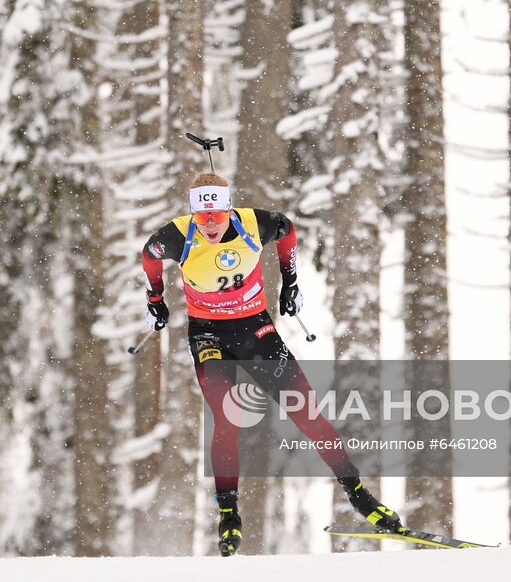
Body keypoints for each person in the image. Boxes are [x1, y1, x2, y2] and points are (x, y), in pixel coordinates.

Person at [141, 171, 403, 556]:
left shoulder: (253, 223)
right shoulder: (177, 235)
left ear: (228, 208)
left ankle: (359, 494)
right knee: (226, 417)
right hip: (209, 335)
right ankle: (229, 515)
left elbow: (288, 231)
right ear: (193, 215)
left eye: (217, 215)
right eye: (203, 218)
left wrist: (290, 281)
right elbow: (149, 256)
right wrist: (156, 299)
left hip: (256, 331)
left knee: (305, 411)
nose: (211, 225)